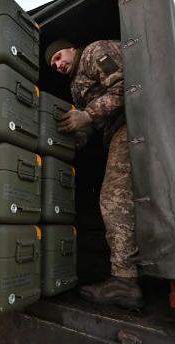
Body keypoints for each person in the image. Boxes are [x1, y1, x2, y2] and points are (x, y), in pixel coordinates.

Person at [46, 39, 142, 308]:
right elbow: (90, 124)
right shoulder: (75, 87)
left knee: (113, 198)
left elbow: (126, 86)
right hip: (113, 132)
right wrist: (74, 138)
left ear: (71, 48)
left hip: (132, 123)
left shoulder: (93, 52)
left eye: (59, 56)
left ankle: (125, 282)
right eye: (53, 63)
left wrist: (86, 115)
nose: (58, 64)